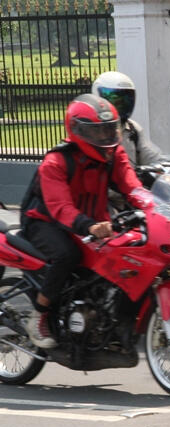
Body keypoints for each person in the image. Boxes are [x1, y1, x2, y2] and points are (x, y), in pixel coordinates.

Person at [19, 94, 149, 348]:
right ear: (77, 130)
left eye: (108, 129)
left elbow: (132, 186)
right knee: (66, 256)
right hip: (45, 223)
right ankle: (39, 315)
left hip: (95, 223)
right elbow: (61, 208)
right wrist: (88, 226)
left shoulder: (114, 154)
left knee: (130, 252)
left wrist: (155, 206)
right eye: (97, 132)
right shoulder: (56, 162)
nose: (105, 138)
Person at [92, 71, 170, 167]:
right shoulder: (89, 131)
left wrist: (169, 168)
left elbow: (152, 155)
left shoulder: (132, 129)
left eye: (125, 101)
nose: (120, 105)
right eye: (115, 101)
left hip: (129, 180)